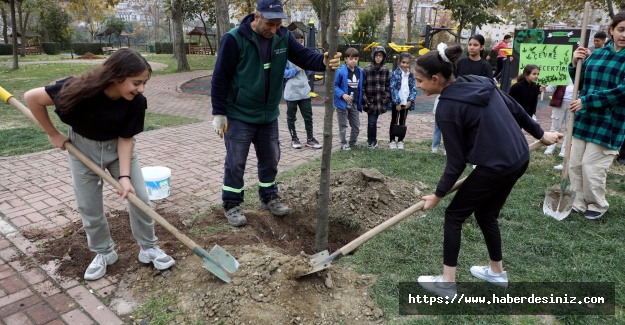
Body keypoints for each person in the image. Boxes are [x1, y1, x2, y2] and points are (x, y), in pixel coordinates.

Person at [414, 43, 561, 298]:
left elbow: (456, 162)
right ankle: (496, 272)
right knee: (486, 214)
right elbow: (516, 108)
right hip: (519, 156)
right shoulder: (478, 80)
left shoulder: (447, 108)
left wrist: (437, 195)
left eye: (419, 80)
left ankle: (447, 284)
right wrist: (541, 133)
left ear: (436, 79)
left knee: (454, 215)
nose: (417, 85)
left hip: (496, 166)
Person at [23, 48, 176, 281]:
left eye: (144, 83)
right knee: (89, 207)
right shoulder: (79, 90)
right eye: (137, 82)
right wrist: (52, 134)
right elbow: (31, 98)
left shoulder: (136, 102)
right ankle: (104, 252)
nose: (141, 89)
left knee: (141, 199)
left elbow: (126, 139)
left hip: (117, 150)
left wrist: (124, 177)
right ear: (117, 76)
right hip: (82, 150)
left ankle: (149, 248)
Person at [210, 0, 341, 227]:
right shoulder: (234, 39)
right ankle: (231, 204)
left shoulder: (282, 36)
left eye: (278, 24)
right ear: (256, 16)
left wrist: (323, 60)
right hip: (239, 114)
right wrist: (219, 112)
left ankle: (269, 196)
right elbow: (220, 77)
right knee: (236, 162)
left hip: (268, 115)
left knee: (271, 159)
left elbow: (303, 56)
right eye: (270, 24)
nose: (273, 30)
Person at [567, 11, 625, 220]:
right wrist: (575, 63)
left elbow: (621, 91)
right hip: (584, 119)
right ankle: (578, 202)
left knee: (591, 167)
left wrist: (587, 101)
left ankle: (597, 204)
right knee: (574, 164)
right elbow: (580, 84)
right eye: (621, 29)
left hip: (610, 122)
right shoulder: (596, 54)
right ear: (612, 30)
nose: (624, 34)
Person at [284, 30, 322, 150]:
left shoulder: (304, 55)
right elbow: (283, 73)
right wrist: (296, 69)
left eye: (302, 41)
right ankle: (294, 138)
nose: (300, 44)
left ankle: (310, 138)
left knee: (308, 116)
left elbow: (309, 71)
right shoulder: (285, 56)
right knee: (291, 116)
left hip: (304, 91)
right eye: (297, 41)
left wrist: (307, 66)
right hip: (292, 91)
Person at [334, 47, 365, 151]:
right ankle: (343, 143)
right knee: (343, 125)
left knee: (356, 125)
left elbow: (361, 86)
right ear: (346, 59)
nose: (354, 61)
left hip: (354, 103)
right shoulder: (340, 71)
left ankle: (353, 141)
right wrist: (343, 94)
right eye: (351, 58)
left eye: (356, 59)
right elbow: (334, 86)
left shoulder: (360, 71)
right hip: (342, 104)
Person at [362, 46, 390, 149]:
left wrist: (386, 96)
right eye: (377, 55)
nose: (378, 58)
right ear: (373, 56)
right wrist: (364, 99)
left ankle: (373, 141)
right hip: (370, 101)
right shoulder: (366, 69)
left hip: (380, 100)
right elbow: (363, 86)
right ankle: (372, 142)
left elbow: (388, 85)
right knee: (372, 122)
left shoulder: (386, 70)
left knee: (374, 121)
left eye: (381, 56)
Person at [388, 52, 417, 150]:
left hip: (406, 102)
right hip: (397, 103)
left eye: (407, 63)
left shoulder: (411, 75)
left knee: (402, 121)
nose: (405, 65)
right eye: (403, 62)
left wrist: (410, 100)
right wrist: (397, 102)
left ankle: (400, 140)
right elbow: (393, 88)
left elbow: (413, 88)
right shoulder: (395, 74)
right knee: (394, 120)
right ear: (399, 62)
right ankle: (392, 140)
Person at [544, 78, 574, 167]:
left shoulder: (582, 73)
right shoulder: (562, 73)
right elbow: (552, 86)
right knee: (555, 126)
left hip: (573, 103)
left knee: (569, 128)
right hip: (559, 102)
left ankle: (564, 150)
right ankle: (550, 147)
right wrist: (544, 88)